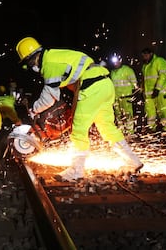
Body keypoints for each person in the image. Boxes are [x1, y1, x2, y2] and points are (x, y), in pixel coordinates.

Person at [15, 37, 143, 181]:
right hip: (106, 85)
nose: (30, 67)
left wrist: (33, 110)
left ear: (32, 57)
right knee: (107, 127)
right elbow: (74, 82)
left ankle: (76, 171)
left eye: (28, 63)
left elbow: (49, 97)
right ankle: (133, 161)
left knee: (78, 131)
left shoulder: (49, 64)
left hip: (91, 88)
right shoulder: (56, 55)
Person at [140, 47, 166, 135]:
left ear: (151, 54)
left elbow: (163, 76)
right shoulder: (145, 66)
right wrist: (141, 91)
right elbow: (143, 80)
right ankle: (151, 129)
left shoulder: (159, 61)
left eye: (146, 55)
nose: (144, 57)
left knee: (163, 112)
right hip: (149, 94)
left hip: (161, 92)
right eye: (143, 56)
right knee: (150, 113)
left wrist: (157, 89)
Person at [109, 54, 140, 136]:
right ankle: (121, 131)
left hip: (126, 97)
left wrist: (135, 94)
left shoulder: (128, 70)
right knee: (118, 115)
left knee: (128, 114)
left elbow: (135, 84)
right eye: (114, 62)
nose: (115, 64)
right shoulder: (112, 72)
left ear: (120, 61)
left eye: (117, 62)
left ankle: (130, 132)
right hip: (116, 98)